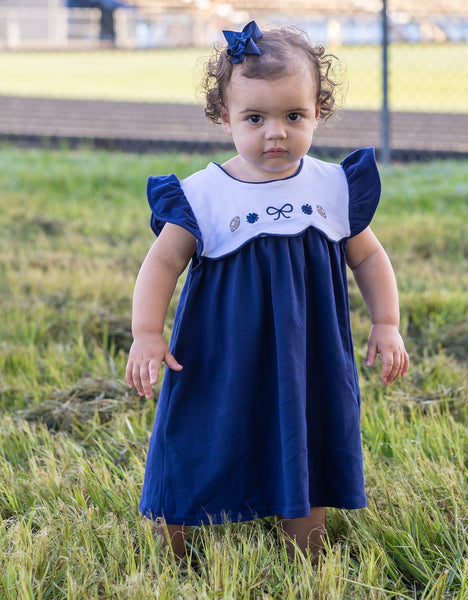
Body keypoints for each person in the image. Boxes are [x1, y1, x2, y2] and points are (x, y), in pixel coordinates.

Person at [126, 21, 409, 561]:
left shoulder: (330, 187)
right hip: (219, 354)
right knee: (196, 432)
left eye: (293, 116)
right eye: (254, 118)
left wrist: (387, 322)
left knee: (307, 429)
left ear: (318, 112)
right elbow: (162, 262)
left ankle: (306, 552)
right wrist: (146, 333)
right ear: (223, 117)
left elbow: (369, 255)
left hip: (307, 355)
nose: (274, 133)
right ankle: (173, 547)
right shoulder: (203, 195)